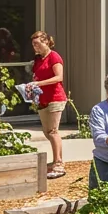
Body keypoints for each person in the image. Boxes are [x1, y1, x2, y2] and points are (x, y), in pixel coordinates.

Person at [25, 31, 67, 179]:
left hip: (55, 98)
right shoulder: (38, 59)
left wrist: (39, 83)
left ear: (47, 42)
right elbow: (37, 76)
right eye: (33, 44)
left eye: (37, 43)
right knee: (47, 131)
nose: (35, 47)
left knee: (53, 131)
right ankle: (57, 160)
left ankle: (58, 163)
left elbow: (59, 77)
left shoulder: (54, 56)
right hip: (42, 99)